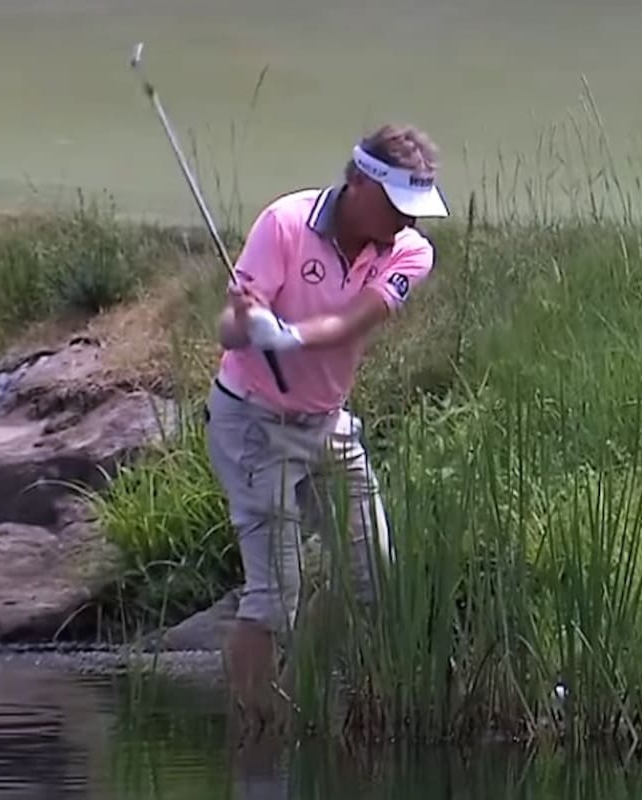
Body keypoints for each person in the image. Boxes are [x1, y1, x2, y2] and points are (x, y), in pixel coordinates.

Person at [203, 122, 450, 729]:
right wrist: (248, 324)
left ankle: (293, 694)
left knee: (376, 576)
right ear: (361, 184)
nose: (408, 222)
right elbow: (228, 331)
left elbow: (349, 324)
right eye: (398, 206)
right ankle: (256, 732)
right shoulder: (285, 224)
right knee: (274, 595)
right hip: (254, 422)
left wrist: (286, 335)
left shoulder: (409, 251)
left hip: (328, 424)